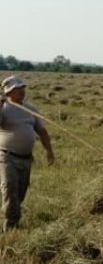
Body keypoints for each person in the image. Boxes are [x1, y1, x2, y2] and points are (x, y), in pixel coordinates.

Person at [0, 75, 55, 231]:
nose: (22, 91)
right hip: (6, 157)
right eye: (18, 89)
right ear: (9, 91)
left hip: (26, 159)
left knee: (20, 193)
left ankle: (12, 215)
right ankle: (11, 226)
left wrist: (49, 151)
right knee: (10, 190)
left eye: (22, 88)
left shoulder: (30, 109)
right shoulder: (3, 108)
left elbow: (42, 131)